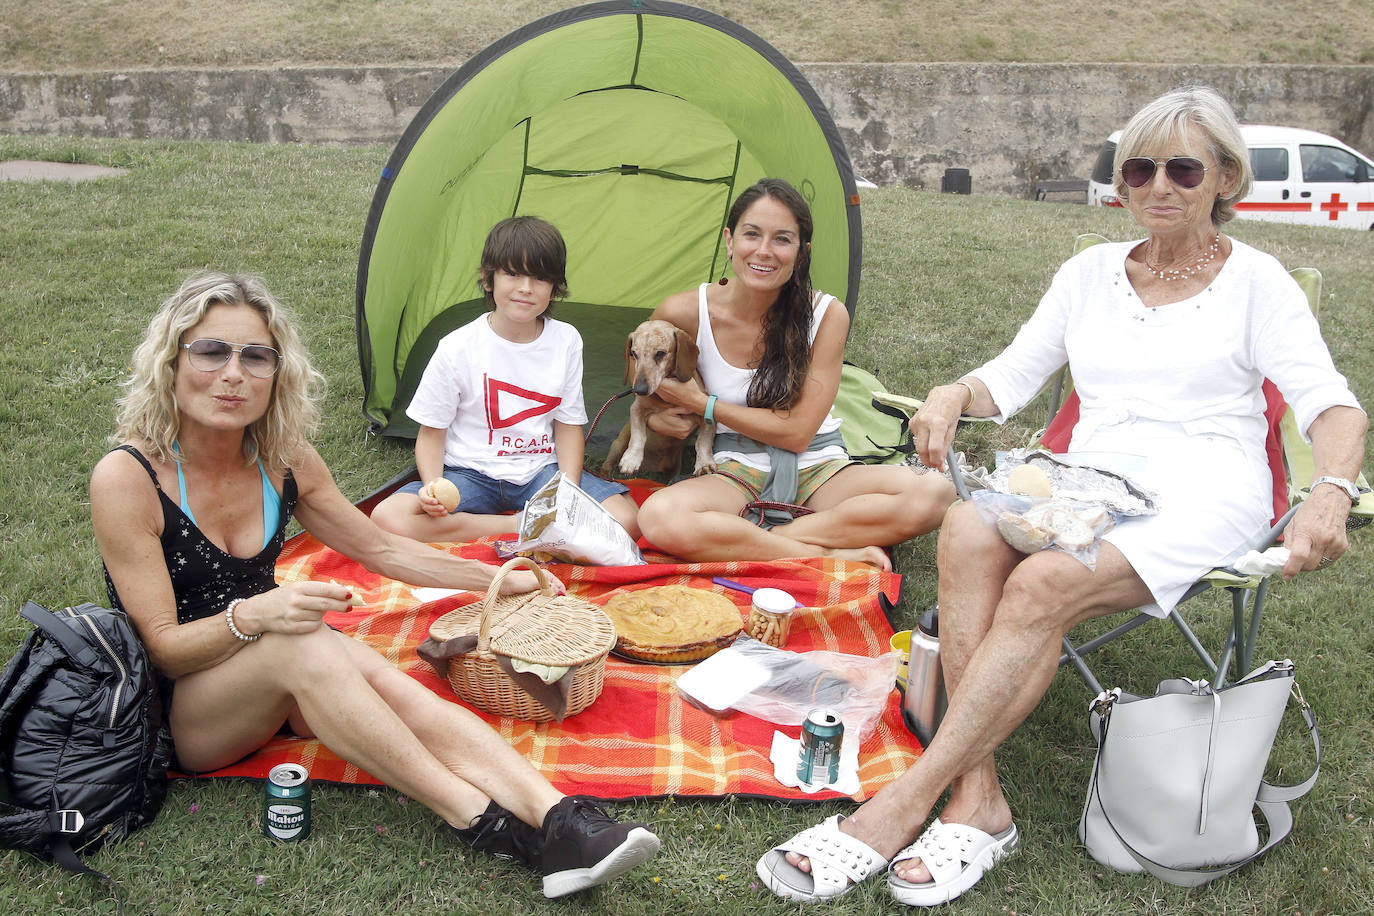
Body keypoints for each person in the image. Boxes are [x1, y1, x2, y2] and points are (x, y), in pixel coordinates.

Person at [756, 86, 1367, 906]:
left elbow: (1330, 403)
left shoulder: (1258, 284)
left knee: (1043, 582)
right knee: (968, 528)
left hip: (1207, 487)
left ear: (1225, 177)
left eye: (1184, 168)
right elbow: (1009, 377)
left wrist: (1330, 487)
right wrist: (947, 394)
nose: (1158, 185)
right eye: (1139, 168)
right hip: (1086, 481)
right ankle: (980, 802)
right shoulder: (1089, 273)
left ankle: (900, 805)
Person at [91, 272, 660, 899]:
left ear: (277, 373)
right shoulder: (129, 477)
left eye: (256, 356)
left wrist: (499, 579)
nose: (234, 373)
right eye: (210, 351)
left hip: (280, 670)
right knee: (302, 641)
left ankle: (563, 820)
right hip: (186, 714)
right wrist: (257, 616)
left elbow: (381, 548)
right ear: (172, 362)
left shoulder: (283, 457)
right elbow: (163, 648)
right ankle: (488, 825)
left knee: (386, 683)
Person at [636, 178, 955, 568]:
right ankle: (822, 552)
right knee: (659, 517)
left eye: (782, 239)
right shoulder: (683, 313)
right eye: (752, 234)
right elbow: (647, 396)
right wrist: (663, 418)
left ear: (802, 251)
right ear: (730, 240)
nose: (764, 251)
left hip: (819, 463)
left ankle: (765, 540)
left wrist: (704, 405)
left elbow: (798, 432)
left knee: (935, 494)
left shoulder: (826, 315)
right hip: (736, 467)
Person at [370, 216, 641, 542]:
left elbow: (567, 426)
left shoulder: (566, 340)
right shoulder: (458, 347)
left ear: (555, 287)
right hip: (468, 473)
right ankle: (520, 526)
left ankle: (504, 525)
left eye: (540, 278)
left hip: (541, 471)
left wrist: (565, 489)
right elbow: (431, 433)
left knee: (627, 520)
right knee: (387, 517)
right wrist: (433, 486)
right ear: (488, 279)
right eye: (513, 274)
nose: (526, 288)